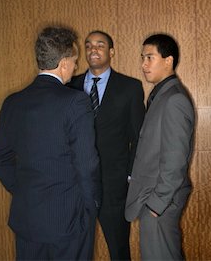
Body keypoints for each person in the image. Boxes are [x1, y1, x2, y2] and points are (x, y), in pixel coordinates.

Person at [0, 26, 101, 260]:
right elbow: (86, 164)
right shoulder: (75, 102)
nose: (76, 66)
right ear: (63, 64)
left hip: (27, 219)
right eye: (74, 60)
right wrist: (91, 207)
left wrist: (22, 189)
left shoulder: (14, 103)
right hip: (68, 219)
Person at [68, 30, 145, 260]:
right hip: (75, 184)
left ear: (111, 52)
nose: (94, 50)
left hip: (114, 185)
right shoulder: (69, 86)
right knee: (74, 249)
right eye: (89, 45)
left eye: (100, 45)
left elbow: (138, 136)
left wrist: (130, 176)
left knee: (119, 250)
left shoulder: (130, 87)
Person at [125, 33, 195, 260]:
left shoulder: (174, 100)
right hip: (155, 199)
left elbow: (175, 161)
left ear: (168, 60)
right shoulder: (160, 95)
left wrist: (156, 205)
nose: (143, 64)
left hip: (160, 202)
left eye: (150, 58)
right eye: (142, 58)